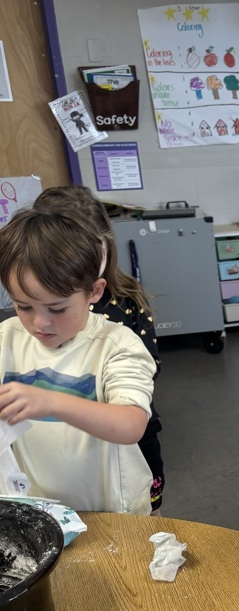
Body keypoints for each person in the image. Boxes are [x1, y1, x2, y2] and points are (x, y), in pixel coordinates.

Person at [0, 208, 155, 513]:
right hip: (39, 506)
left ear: (93, 292)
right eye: (23, 306)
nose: (40, 323)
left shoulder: (116, 345)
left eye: (57, 309)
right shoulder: (6, 338)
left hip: (112, 509)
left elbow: (131, 424)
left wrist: (52, 402)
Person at [33, 185, 165, 513]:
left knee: (144, 522)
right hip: (66, 451)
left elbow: (149, 367)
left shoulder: (127, 301)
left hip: (130, 443)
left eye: (93, 253)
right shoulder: (32, 321)